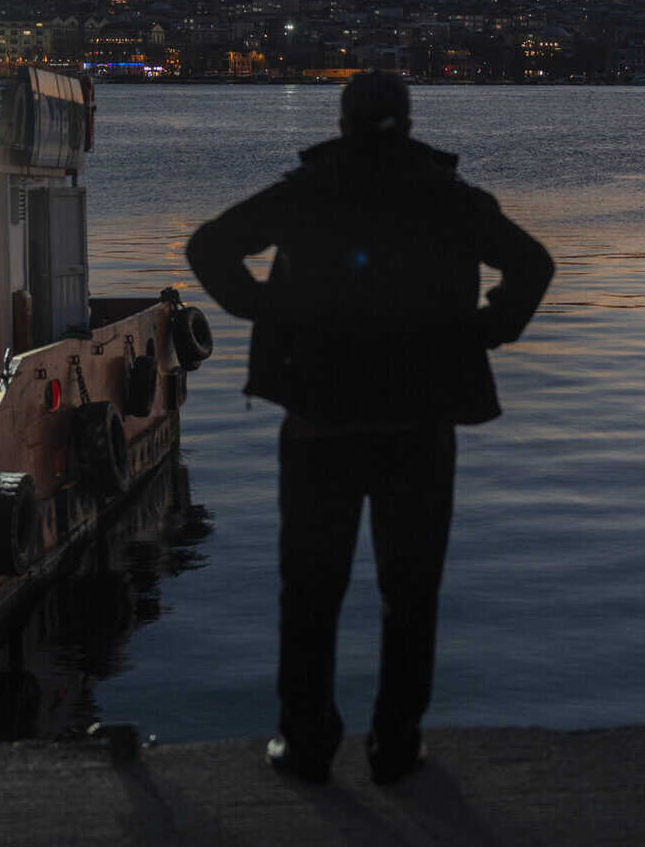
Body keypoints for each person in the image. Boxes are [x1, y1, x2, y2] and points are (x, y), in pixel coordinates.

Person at [186, 70, 554, 785]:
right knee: (411, 593)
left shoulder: (309, 191)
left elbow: (209, 247)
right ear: (408, 121)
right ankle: (395, 742)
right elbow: (534, 264)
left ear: (345, 120)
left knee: (310, 590)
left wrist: (265, 311)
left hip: (320, 420)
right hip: (419, 424)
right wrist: (484, 331)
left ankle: (308, 741)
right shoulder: (448, 199)